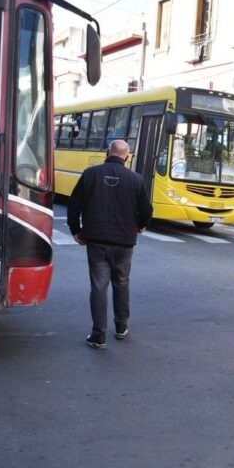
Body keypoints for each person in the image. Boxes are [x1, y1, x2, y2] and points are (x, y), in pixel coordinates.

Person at [67, 139, 152, 350]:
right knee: (121, 282)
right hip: (124, 240)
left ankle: (98, 335)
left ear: (107, 152)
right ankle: (121, 327)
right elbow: (146, 210)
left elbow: (74, 205)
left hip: (96, 239)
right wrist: (140, 226)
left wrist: (75, 230)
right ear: (127, 156)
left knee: (99, 286)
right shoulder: (136, 179)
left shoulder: (90, 174)